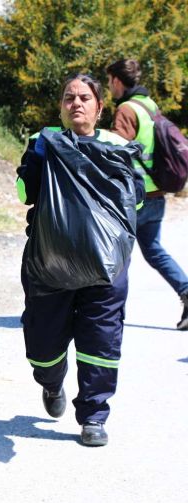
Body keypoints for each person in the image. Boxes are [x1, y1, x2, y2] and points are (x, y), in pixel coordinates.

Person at [15, 73, 144, 447]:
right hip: (50, 260)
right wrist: (40, 163)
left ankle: (94, 416)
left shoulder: (116, 146)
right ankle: (51, 382)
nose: (77, 104)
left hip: (105, 264)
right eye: (69, 98)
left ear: (100, 107)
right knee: (42, 345)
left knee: (101, 338)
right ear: (61, 107)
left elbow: (134, 201)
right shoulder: (44, 142)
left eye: (85, 98)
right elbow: (25, 191)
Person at [106, 58, 188, 331]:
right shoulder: (149, 105)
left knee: (119, 255)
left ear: (117, 81)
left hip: (134, 197)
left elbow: (115, 151)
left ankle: (112, 313)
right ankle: (187, 291)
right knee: (154, 251)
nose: (109, 87)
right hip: (156, 195)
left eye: (109, 82)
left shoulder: (126, 110)